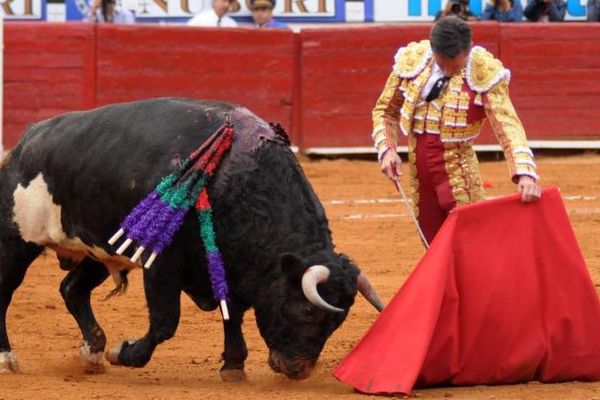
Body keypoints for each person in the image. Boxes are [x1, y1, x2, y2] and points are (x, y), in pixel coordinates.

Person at [372, 16, 541, 244]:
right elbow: (385, 111)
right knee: (433, 246)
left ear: (469, 49)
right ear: (433, 51)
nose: (449, 71)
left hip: (459, 172)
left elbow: (508, 125)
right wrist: (387, 150)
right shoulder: (413, 61)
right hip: (419, 173)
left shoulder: (483, 71)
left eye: (457, 65)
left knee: (473, 243)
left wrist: (525, 173)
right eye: (443, 64)